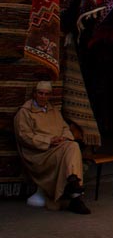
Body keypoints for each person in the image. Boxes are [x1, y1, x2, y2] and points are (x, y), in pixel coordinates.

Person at [13, 81, 90, 214]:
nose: (43, 96)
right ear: (35, 94)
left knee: (71, 145)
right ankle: (75, 191)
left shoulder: (53, 111)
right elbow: (24, 136)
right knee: (71, 148)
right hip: (39, 152)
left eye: (46, 94)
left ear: (50, 96)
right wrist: (49, 140)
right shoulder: (24, 112)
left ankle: (73, 184)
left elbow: (65, 128)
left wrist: (63, 138)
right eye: (40, 93)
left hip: (57, 148)